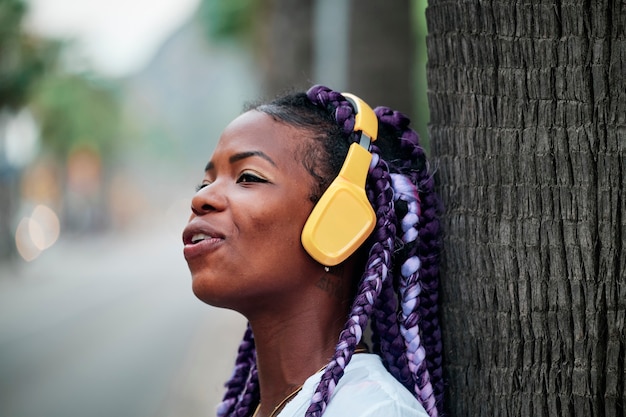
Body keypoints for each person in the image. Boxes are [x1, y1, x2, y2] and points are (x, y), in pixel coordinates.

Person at [182, 85, 444, 417]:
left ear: (341, 221)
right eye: (205, 183)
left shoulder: (374, 411)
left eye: (248, 177)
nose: (200, 199)